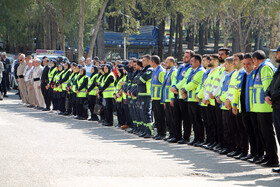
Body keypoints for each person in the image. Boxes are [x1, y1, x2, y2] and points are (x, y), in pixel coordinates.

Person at [251, 50, 278, 167]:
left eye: (253, 61)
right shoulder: (260, 68)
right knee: (263, 134)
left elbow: (268, 86)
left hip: (265, 107)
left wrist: (268, 98)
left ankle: (273, 159)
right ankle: (268, 157)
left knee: (267, 134)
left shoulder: (265, 67)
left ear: (256, 59)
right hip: (260, 107)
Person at [232, 53, 259, 161]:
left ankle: (257, 154)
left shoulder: (255, 73)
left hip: (253, 108)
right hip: (243, 107)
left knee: (256, 132)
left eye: (248, 64)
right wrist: (234, 104)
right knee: (248, 132)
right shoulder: (242, 74)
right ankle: (252, 153)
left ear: (253, 63)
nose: (246, 66)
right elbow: (236, 91)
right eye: (244, 64)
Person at [170, 50, 194, 144]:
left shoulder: (189, 68)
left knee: (186, 118)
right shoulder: (181, 66)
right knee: (176, 117)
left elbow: (185, 80)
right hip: (177, 94)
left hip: (184, 96)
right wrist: (173, 86)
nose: (184, 58)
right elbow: (175, 78)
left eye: (187, 57)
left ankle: (186, 137)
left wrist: (176, 87)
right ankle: (177, 136)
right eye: (184, 56)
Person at [181, 54, 205, 146]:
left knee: (198, 120)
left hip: (196, 99)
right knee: (193, 120)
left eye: (192, 61)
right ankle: (196, 138)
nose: (190, 63)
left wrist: (184, 90)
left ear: (197, 62)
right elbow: (186, 81)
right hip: (190, 98)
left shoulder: (200, 71)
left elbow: (193, 84)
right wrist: (184, 90)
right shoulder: (192, 71)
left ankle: (200, 138)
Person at [265, 46, 280, 172]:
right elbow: (271, 85)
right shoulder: (278, 68)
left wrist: (272, 96)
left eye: (278, 53)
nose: (276, 55)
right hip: (276, 106)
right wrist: (267, 94)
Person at [136, 56, 154, 138]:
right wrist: (139, 79)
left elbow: (141, 80)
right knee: (142, 114)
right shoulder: (144, 70)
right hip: (141, 94)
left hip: (146, 94)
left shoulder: (150, 70)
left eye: (144, 60)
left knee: (146, 114)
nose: (142, 62)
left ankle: (150, 131)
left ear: (149, 61)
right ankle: (145, 130)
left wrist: (139, 79)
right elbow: (137, 80)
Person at [161, 56, 177, 141]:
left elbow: (172, 86)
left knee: (172, 118)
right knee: (168, 118)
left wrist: (172, 99)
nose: (165, 64)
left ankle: (174, 134)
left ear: (172, 63)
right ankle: (171, 134)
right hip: (166, 99)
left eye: (167, 62)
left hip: (170, 99)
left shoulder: (174, 72)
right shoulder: (167, 72)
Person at [151, 55, 166, 139]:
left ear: (153, 62)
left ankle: (162, 133)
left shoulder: (161, 71)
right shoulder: (154, 71)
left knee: (161, 116)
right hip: (154, 98)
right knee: (156, 116)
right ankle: (159, 132)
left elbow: (164, 86)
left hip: (160, 98)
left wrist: (163, 99)